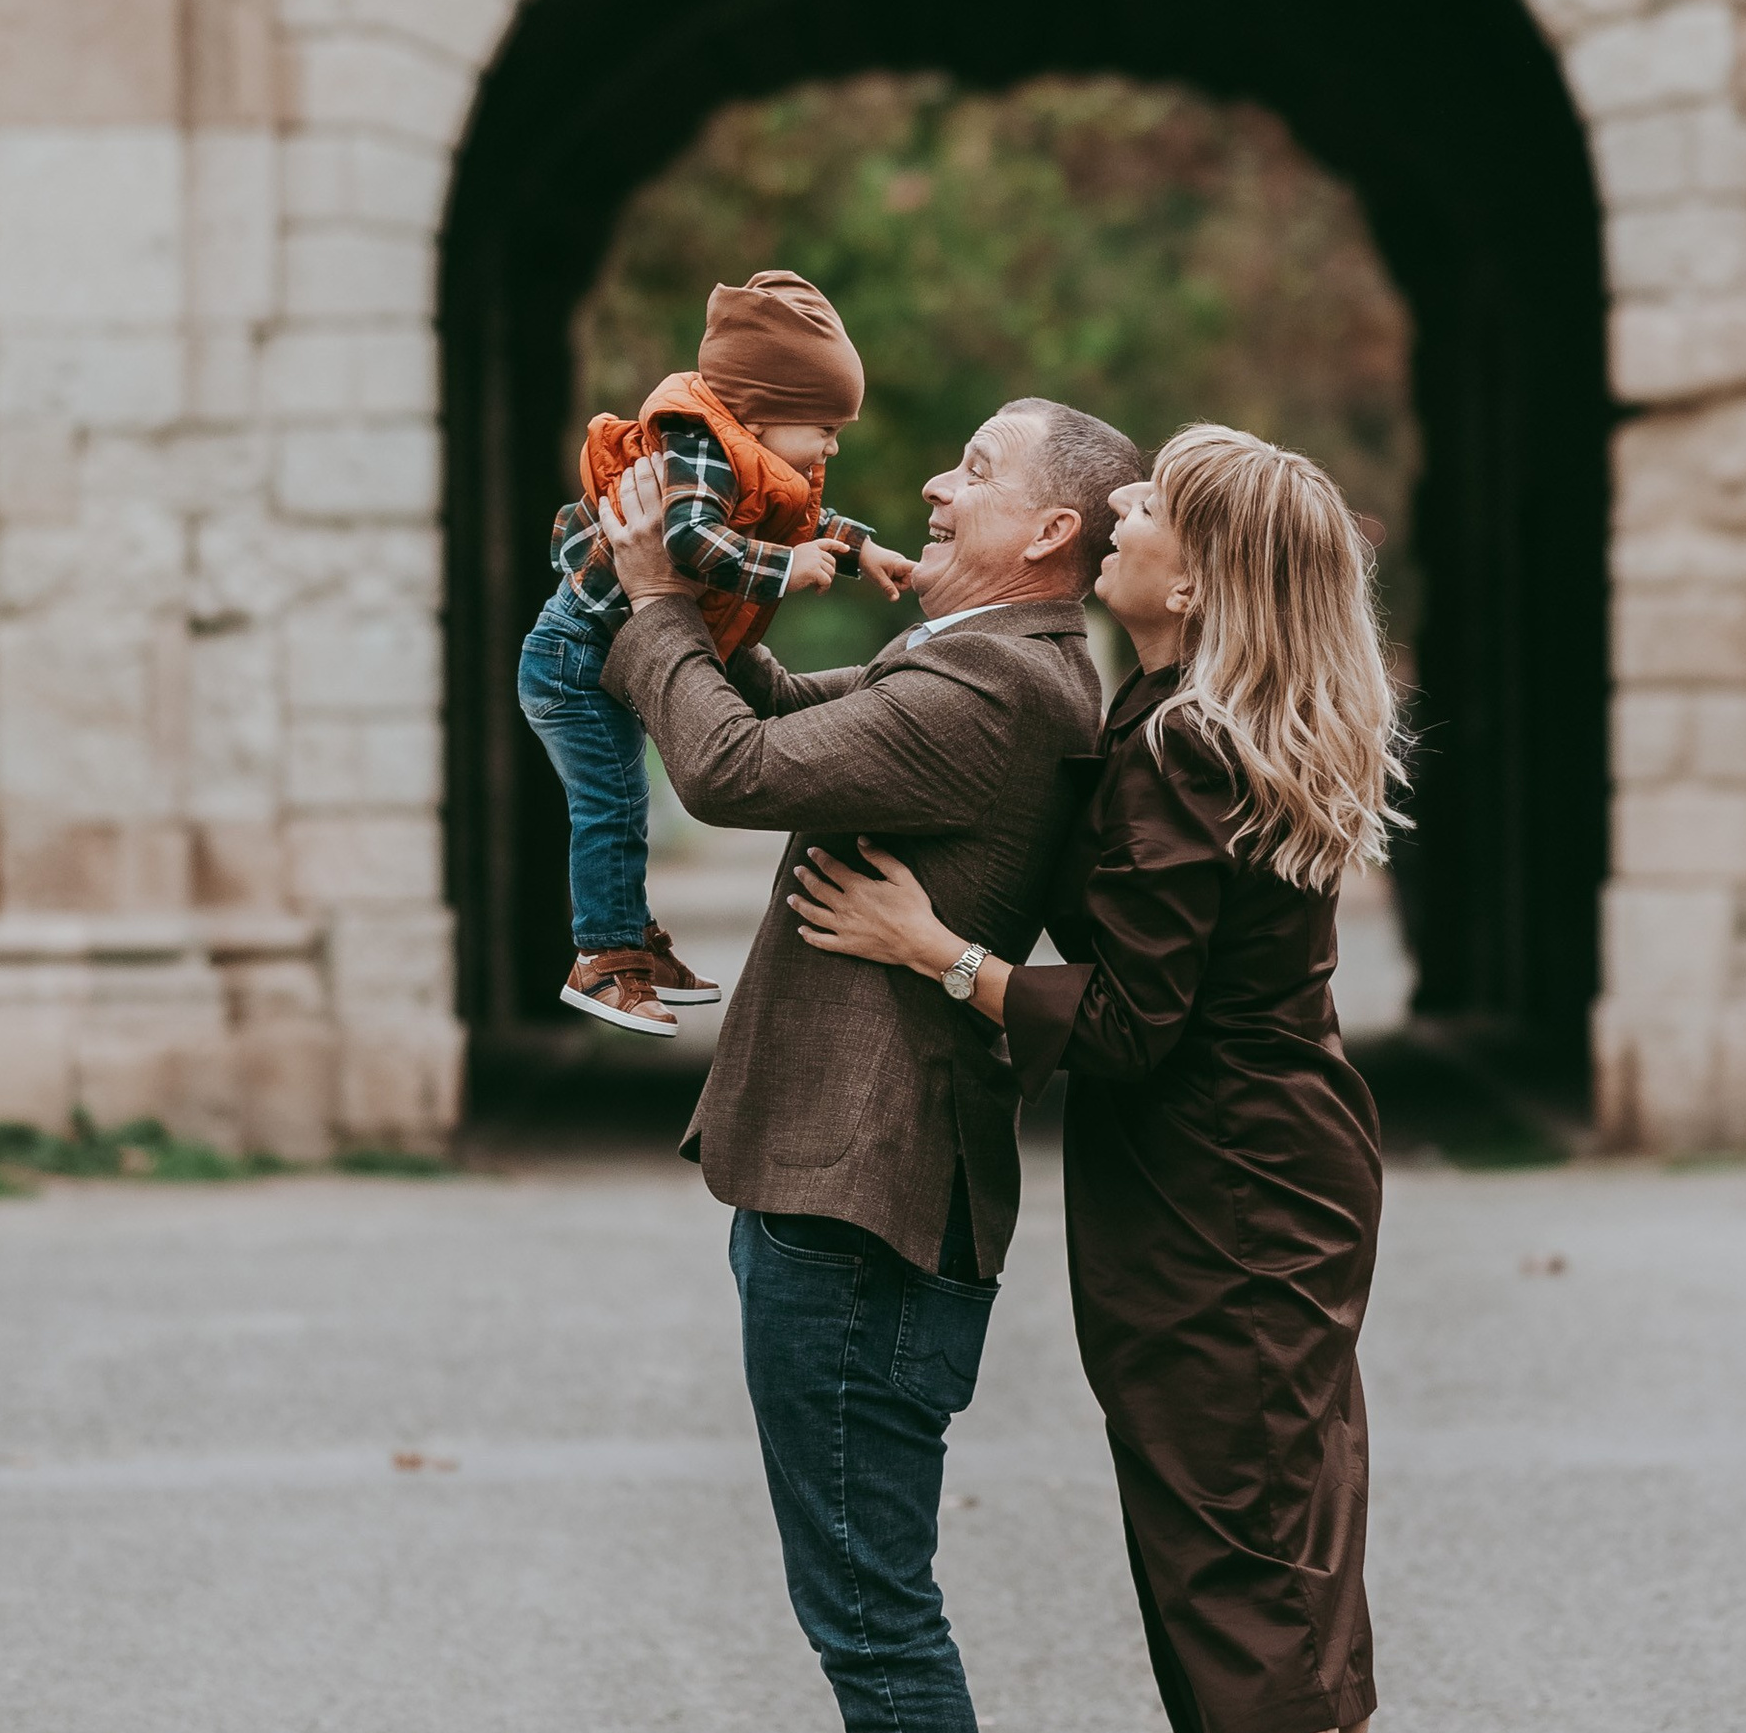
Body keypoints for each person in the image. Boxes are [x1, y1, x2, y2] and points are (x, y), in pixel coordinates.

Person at [794, 424, 1401, 1733]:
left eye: (1159, 502)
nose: (1124, 499)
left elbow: (1131, 1024)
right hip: (1261, 1173)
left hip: (1223, 1202)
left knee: (1237, 1570)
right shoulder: (1187, 715)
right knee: (1272, 1543)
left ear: (1193, 590)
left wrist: (937, 954)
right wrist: (929, 589)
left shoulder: (1191, 745)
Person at [596, 397, 1145, 1733]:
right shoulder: (979, 655)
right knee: (868, 1611)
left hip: (861, 1207)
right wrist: (726, 573)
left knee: (874, 1626)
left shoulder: (1000, 683)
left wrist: (660, 602)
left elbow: (727, 771)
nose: (935, 486)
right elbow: (780, 721)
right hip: (859, 1198)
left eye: (975, 468)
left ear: (1052, 529)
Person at [519, 269, 917, 1038]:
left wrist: (861, 548)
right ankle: (604, 960)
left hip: (597, 660)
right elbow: (690, 540)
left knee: (624, 803)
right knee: (613, 805)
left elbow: (801, 515)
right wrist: (785, 568)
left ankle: (629, 937)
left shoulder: (748, 456)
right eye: (825, 428)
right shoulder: (697, 444)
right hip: (574, 663)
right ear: (763, 416)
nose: (832, 445)